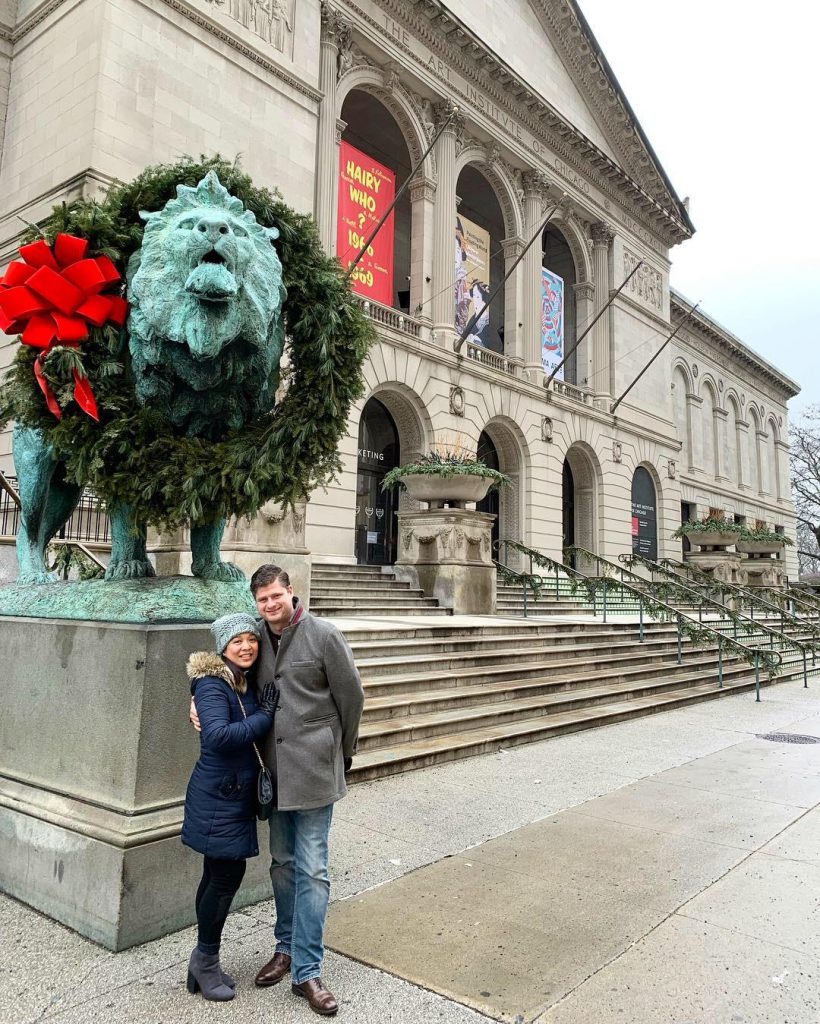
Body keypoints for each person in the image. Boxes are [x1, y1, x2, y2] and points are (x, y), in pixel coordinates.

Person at [191, 565, 364, 1016]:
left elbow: (352, 698)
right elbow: (228, 676)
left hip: (315, 773)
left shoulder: (324, 635)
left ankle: (308, 970)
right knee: (283, 866)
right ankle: (284, 949)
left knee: (312, 872)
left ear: (291, 592)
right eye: (262, 599)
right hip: (273, 777)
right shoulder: (256, 638)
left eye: (276, 596)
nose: (270, 605)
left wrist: (340, 754)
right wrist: (196, 699)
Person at [182, 613, 280, 1002]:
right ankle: (205, 960)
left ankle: (202, 960)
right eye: (236, 641)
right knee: (223, 879)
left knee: (217, 876)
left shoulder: (239, 682)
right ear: (222, 647)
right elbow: (220, 737)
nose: (246, 646)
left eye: (250, 639)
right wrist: (265, 715)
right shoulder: (210, 684)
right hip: (217, 796)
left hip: (230, 794)